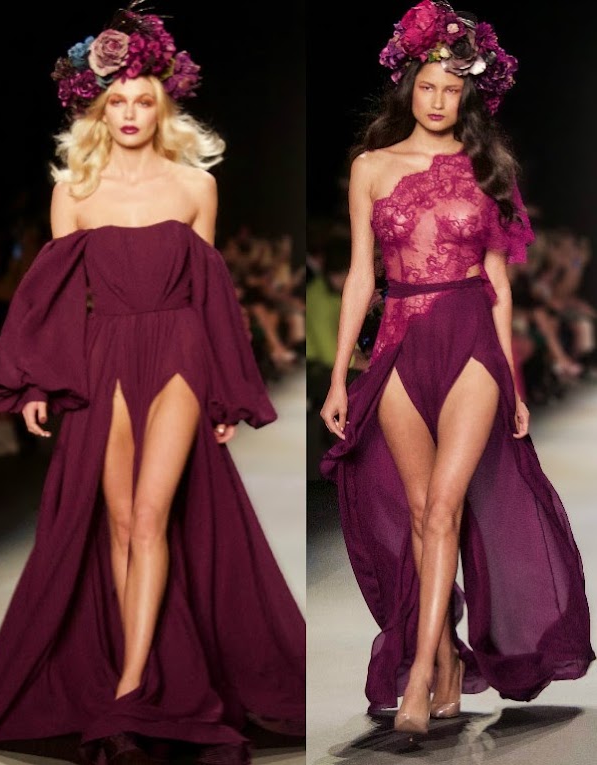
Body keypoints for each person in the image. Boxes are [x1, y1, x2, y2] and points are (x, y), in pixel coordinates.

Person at [0, 8, 304, 764]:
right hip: (100, 353)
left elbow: (212, 296)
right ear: (98, 109)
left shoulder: (196, 185)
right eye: (119, 102)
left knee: (149, 515)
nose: (132, 113)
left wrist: (224, 388)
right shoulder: (75, 189)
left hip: (178, 350)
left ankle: (131, 689)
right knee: (116, 522)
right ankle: (130, 679)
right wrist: (37, 383)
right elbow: (49, 300)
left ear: (163, 107)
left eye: (144, 100)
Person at [319, 0, 593, 736]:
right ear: (408, 87)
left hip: (470, 336)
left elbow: (499, 279)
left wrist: (515, 382)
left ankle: (416, 680)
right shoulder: (370, 167)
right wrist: (340, 375)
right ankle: (442, 660)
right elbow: (360, 275)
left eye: (451, 89)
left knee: (443, 506)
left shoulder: (488, 169)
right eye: (428, 86)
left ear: (468, 95)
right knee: (419, 512)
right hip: (399, 339)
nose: (438, 100)